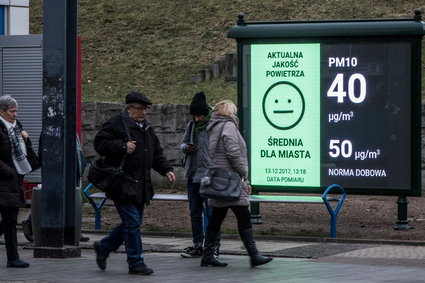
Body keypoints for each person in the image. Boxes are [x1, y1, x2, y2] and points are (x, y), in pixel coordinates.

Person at [93, 91, 176, 275]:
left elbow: (156, 154)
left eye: (145, 109)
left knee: (133, 222)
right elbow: (99, 143)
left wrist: (167, 170)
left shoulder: (147, 128)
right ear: (129, 109)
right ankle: (136, 262)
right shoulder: (116, 123)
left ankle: (104, 246)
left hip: (140, 185)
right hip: (122, 184)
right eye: (139, 109)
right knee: (132, 222)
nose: (143, 113)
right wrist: (123, 147)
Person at [200, 99, 273, 268]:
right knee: (244, 217)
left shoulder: (214, 127)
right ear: (229, 112)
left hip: (219, 182)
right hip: (231, 181)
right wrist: (243, 172)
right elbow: (233, 152)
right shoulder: (229, 126)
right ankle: (254, 255)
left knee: (216, 218)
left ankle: (208, 255)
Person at [179, 92, 220, 258]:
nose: (197, 119)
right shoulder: (191, 126)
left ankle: (213, 246)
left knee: (211, 214)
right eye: (194, 116)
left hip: (208, 177)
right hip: (192, 175)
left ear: (205, 113)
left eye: (199, 115)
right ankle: (197, 244)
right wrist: (186, 148)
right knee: (194, 213)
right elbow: (182, 144)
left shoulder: (214, 126)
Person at [0, 95, 32, 268]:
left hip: (14, 180)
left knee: (9, 219)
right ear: (2, 112)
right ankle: (13, 257)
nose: (15, 114)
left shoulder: (16, 127)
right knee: (9, 220)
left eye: (16, 111)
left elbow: (24, 154)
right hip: (6, 178)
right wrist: (10, 172)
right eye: (12, 111)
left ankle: (13, 257)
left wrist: (26, 140)